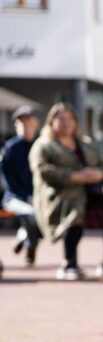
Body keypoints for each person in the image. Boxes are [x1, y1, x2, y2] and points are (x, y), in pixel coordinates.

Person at [29, 103, 103, 280]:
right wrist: (74, 176)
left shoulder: (86, 143)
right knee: (74, 214)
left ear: (75, 122)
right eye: (61, 119)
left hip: (91, 191)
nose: (66, 123)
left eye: (69, 119)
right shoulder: (44, 145)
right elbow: (42, 169)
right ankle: (68, 263)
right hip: (59, 194)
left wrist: (97, 173)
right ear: (51, 122)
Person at [1, 106, 42, 266]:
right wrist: (27, 197)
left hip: (38, 197)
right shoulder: (10, 148)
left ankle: (22, 236)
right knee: (32, 215)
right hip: (14, 198)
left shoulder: (41, 145)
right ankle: (30, 247)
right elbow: (8, 182)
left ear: (36, 123)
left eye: (28, 120)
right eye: (21, 121)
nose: (25, 124)